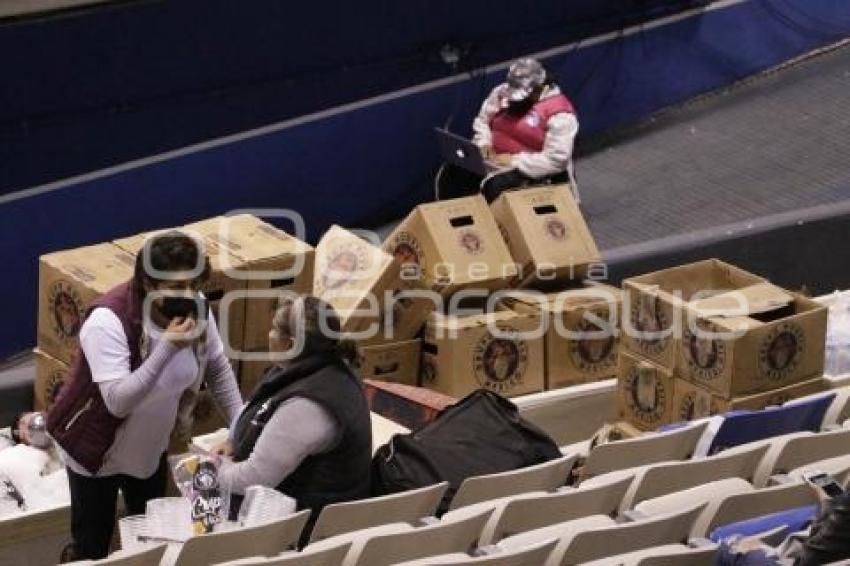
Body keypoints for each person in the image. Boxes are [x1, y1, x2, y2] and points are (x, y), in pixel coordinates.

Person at [46, 231, 243, 562]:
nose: (190, 294)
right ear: (149, 284)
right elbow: (118, 401)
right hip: (96, 452)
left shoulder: (197, 310)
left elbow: (219, 372)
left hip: (149, 451)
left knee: (153, 543)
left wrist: (240, 428)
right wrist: (166, 347)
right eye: (177, 287)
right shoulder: (108, 320)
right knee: (93, 548)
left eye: (194, 285)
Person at [213, 295, 372, 545]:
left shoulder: (309, 404)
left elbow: (255, 477)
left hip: (303, 533)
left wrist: (212, 470)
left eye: (274, 329)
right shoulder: (308, 366)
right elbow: (254, 406)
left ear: (291, 342)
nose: (269, 334)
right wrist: (233, 439)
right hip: (294, 510)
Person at [439, 58, 579, 203]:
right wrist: (484, 146)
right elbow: (482, 122)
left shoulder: (560, 114)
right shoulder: (501, 92)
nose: (512, 100)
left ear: (540, 88)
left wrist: (513, 161)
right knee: (453, 174)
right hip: (492, 160)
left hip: (530, 169)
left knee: (496, 186)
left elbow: (556, 160)